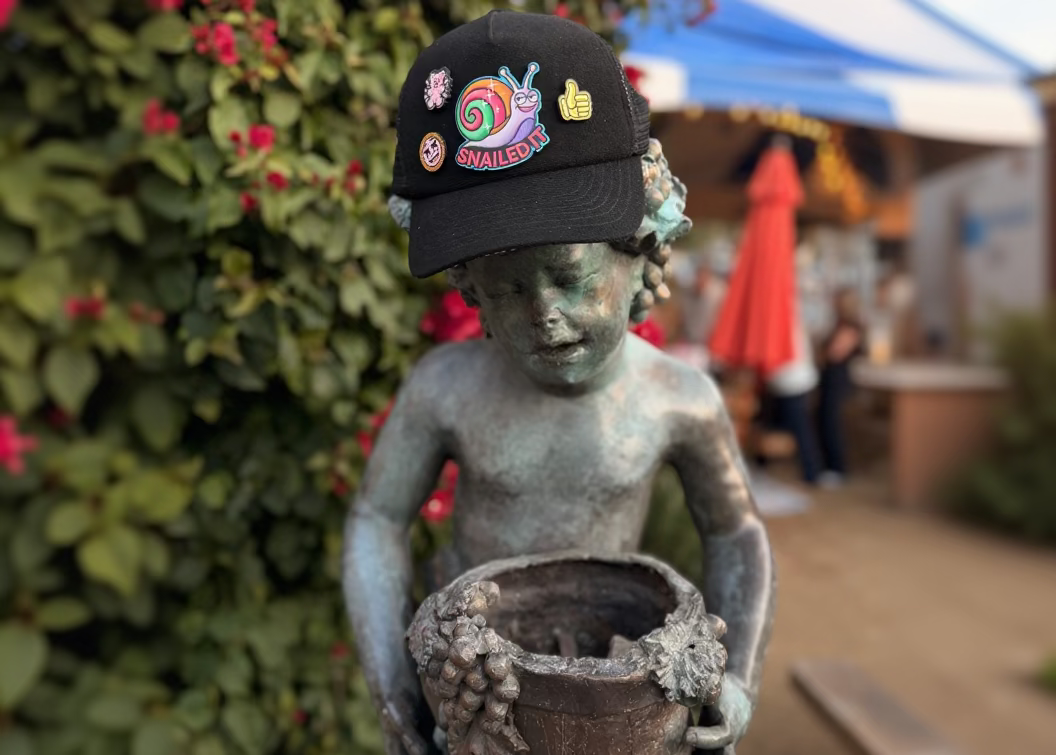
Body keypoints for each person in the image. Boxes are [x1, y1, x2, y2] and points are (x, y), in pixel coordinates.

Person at [342, 12, 775, 755]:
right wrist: (390, 679)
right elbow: (377, 518)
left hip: (620, 700)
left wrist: (738, 678)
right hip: (477, 699)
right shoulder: (446, 389)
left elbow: (736, 530)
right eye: (506, 288)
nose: (544, 314)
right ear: (471, 294)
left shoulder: (678, 400)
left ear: (640, 253)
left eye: (571, 277)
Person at [816, 288, 864, 487]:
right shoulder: (839, 325)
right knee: (824, 421)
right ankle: (828, 466)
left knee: (832, 422)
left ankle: (837, 468)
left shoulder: (850, 327)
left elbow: (835, 353)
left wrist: (821, 353)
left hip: (837, 380)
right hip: (830, 379)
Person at [764, 318, 822, 485]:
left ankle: (811, 473)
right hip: (787, 381)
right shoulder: (789, 322)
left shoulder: (785, 324)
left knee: (801, 429)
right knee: (782, 426)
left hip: (793, 382)